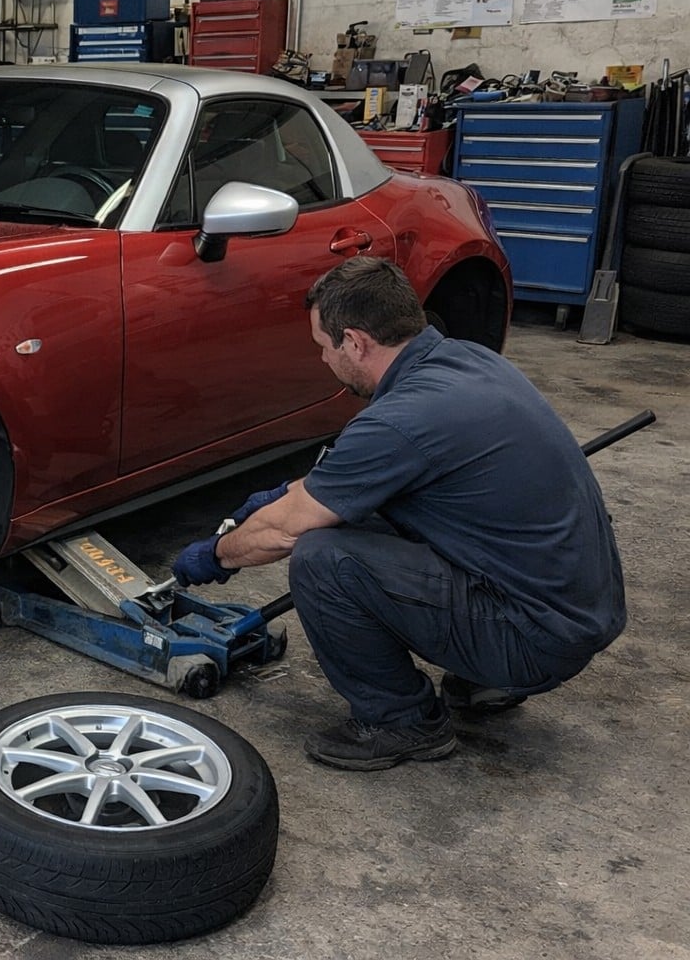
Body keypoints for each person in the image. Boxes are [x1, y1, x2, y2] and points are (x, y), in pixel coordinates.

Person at [171, 256, 626, 771]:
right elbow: (349, 479)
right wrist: (276, 494)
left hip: (535, 637)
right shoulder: (466, 362)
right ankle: (484, 679)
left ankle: (401, 722)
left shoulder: (401, 420)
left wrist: (216, 555)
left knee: (323, 558)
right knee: (372, 514)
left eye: (324, 346)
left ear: (356, 341)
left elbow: (281, 531)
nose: (323, 360)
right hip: (578, 608)